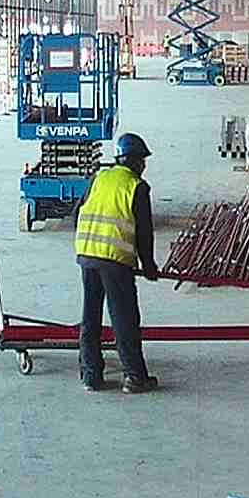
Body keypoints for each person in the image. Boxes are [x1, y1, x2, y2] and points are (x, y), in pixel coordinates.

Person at [75, 132, 163, 394]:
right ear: (132, 160)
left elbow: (78, 212)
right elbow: (144, 233)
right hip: (114, 261)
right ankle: (134, 377)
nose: (144, 166)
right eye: (142, 160)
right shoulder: (136, 187)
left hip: (87, 255)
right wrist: (149, 267)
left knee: (90, 316)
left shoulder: (98, 178)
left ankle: (91, 375)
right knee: (124, 319)